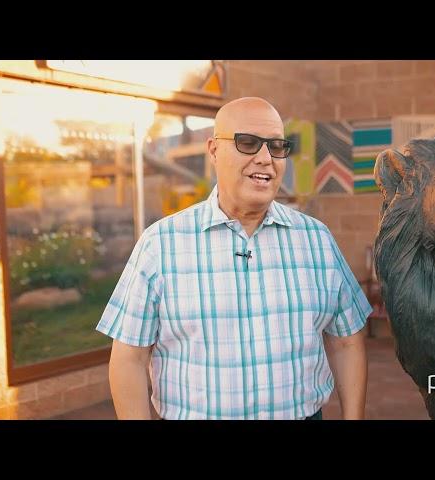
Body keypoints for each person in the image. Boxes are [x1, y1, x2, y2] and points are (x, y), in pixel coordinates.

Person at [96, 97, 372, 420]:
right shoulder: (160, 245)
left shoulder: (317, 240)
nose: (265, 158)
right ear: (213, 150)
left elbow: (347, 343)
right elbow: (128, 358)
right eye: (249, 143)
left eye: (277, 146)